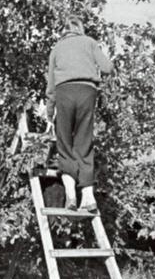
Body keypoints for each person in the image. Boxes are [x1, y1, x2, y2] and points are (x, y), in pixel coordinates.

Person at [45, 16, 113, 212]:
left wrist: (50, 113)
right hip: (87, 92)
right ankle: (88, 197)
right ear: (80, 29)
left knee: (64, 145)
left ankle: (71, 195)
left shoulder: (57, 49)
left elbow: (50, 86)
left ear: (64, 31)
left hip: (64, 92)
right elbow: (108, 68)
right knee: (84, 143)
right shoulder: (90, 43)